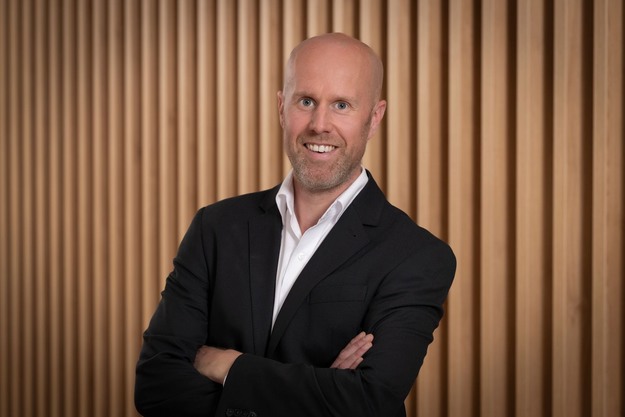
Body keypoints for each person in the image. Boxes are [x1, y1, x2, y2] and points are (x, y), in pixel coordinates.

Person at [135, 32, 456, 417]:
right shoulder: (215, 228)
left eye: (342, 105)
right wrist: (322, 391)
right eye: (306, 101)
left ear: (374, 118)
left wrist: (230, 366)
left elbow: (368, 402)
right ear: (281, 107)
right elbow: (156, 385)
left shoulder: (417, 257)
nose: (320, 125)